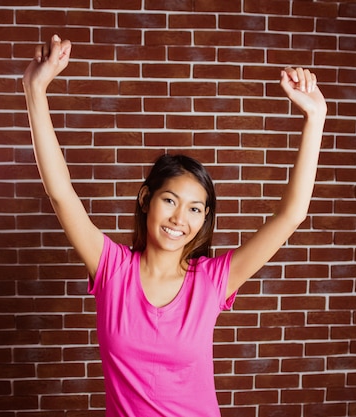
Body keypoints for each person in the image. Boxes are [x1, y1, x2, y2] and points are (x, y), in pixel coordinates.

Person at [23, 34, 327, 417]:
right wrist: (35, 89)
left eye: (196, 209)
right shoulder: (112, 269)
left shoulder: (213, 280)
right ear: (146, 200)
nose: (180, 219)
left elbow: (291, 215)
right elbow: (61, 193)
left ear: (204, 219)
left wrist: (315, 118)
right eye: (170, 201)